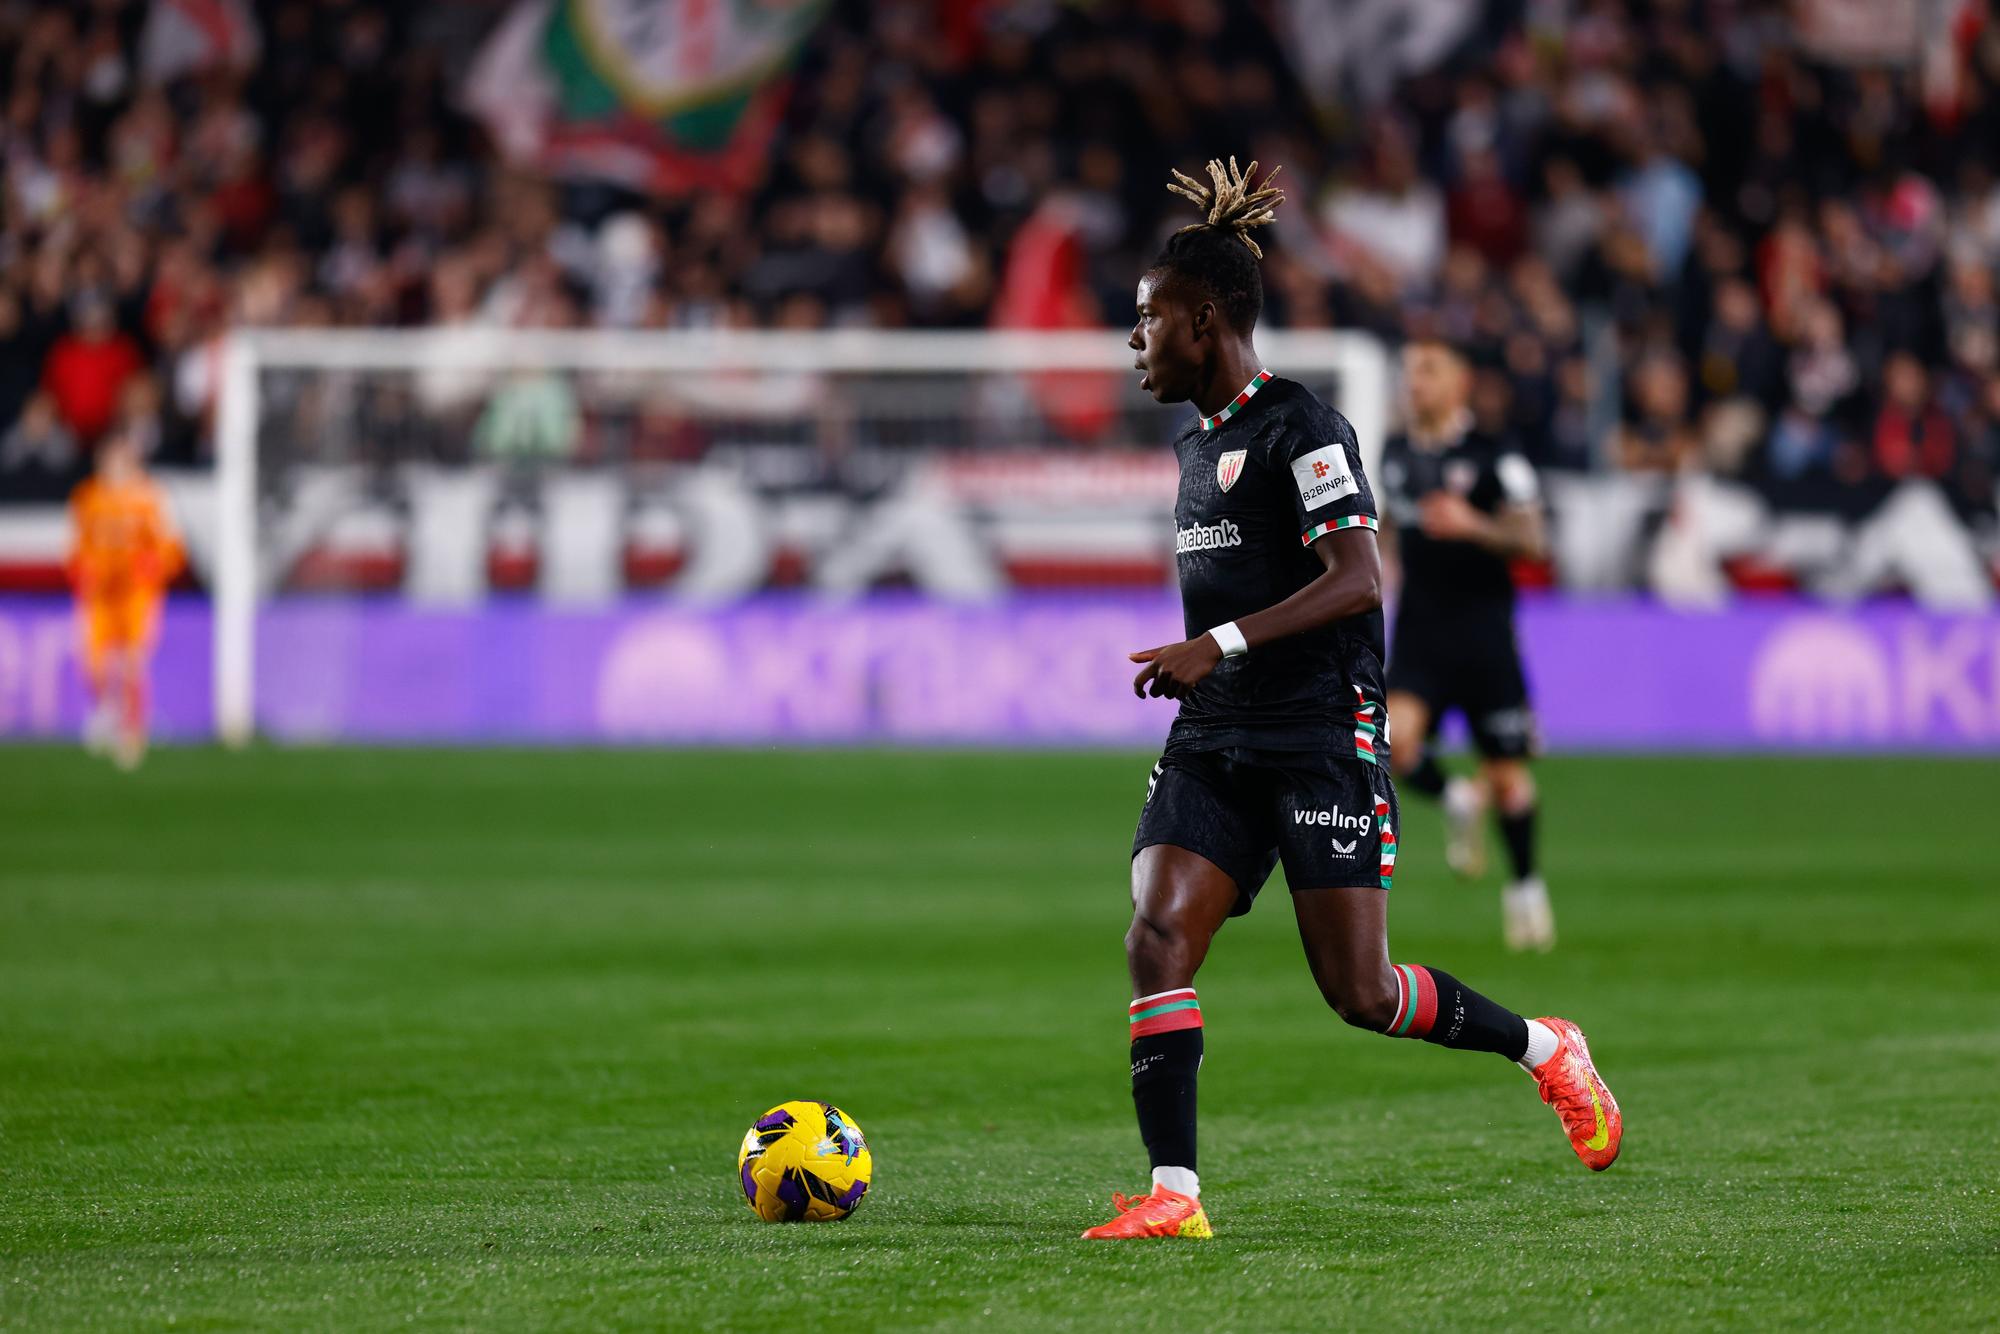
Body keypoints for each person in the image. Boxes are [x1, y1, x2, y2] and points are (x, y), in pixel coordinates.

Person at [1084, 159, 1620, 1242]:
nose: (1135, 340)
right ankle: (1174, 1194)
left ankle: (1545, 1048)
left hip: (1320, 733)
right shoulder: (1196, 446)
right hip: (1216, 734)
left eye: (1148, 320)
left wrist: (1216, 641)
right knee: (1155, 934)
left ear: (1203, 318)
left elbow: (1357, 580)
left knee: (1361, 993)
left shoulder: (1304, 426)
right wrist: (1213, 662)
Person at [1379, 340, 1555, 951]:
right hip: (1420, 633)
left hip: (1485, 637)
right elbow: (1391, 527)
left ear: (1460, 383)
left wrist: (1473, 524)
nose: (1414, 383)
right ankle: (1455, 796)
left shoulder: (1496, 454)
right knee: (1389, 741)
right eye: (1409, 371)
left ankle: (1526, 887)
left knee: (1508, 780)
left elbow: (1535, 539)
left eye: (1428, 371)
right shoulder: (1395, 452)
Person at [68, 429, 183, 769]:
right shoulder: (87, 497)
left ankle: (133, 733)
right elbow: (76, 547)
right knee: (93, 663)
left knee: (134, 662)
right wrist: (83, 572)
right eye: (109, 456)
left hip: (136, 594)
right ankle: (106, 710)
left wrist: (151, 567)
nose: (114, 463)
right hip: (101, 595)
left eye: (120, 457)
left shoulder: (150, 496)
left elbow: (171, 547)